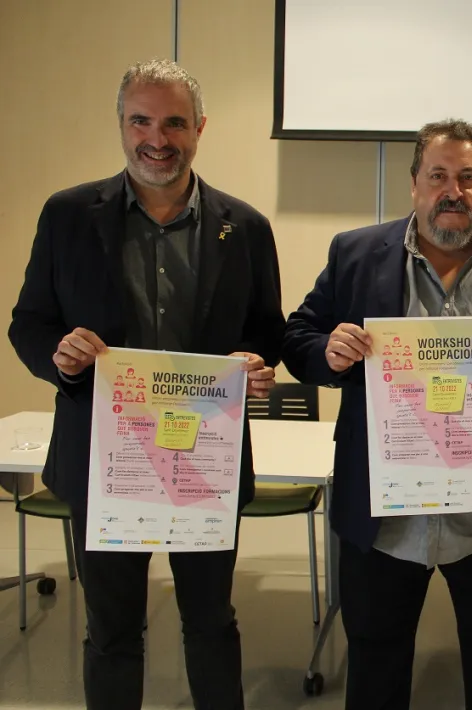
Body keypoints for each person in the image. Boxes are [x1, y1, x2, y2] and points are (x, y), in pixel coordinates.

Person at [8, 58, 285, 710]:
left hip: (204, 460)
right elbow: (29, 323)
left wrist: (256, 363)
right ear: (121, 123)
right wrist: (61, 355)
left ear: (200, 128)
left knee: (211, 622)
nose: (156, 138)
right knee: (111, 631)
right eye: (141, 120)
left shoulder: (243, 227)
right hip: (107, 462)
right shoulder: (69, 215)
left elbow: (268, 332)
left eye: (174, 122)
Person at [281, 119, 472, 710]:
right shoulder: (356, 253)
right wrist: (329, 354)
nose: (453, 190)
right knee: (375, 670)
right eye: (438, 175)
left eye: (468, 177)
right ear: (415, 184)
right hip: (386, 520)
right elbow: (296, 338)